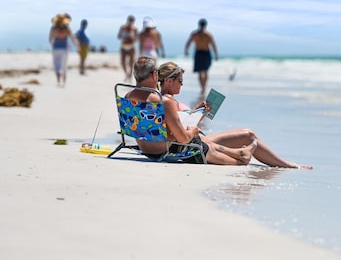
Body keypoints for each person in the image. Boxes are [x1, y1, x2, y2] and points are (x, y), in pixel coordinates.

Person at [129, 57, 312, 169]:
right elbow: (183, 139)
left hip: (150, 151)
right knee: (236, 150)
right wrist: (192, 131)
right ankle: (244, 155)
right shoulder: (164, 101)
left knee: (236, 143)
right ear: (154, 75)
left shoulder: (128, 96)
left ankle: (242, 154)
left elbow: (147, 128)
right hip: (173, 151)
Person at [184, 18, 218, 96]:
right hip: (199, 53)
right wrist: (186, 50)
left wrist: (216, 54)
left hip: (206, 53)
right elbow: (188, 42)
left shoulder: (208, 35)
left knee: (205, 71)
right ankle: (202, 88)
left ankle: (204, 87)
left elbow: (213, 45)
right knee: (199, 72)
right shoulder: (195, 34)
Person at [48, 13, 79, 87]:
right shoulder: (67, 28)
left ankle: (58, 81)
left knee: (56, 65)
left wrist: (53, 42)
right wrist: (78, 46)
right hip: (64, 49)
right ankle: (64, 82)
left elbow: (50, 39)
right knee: (64, 65)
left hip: (56, 48)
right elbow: (73, 38)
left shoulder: (53, 28)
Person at [117, 15, 138, 80]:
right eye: (130, 21)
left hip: (131, 47)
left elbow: (137, 38)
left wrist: (132, 38)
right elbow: (118, 36)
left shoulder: (134, 29)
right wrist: (124, 37)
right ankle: (126, 73)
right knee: (123, 62)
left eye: (132, 21)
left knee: (131, 63)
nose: (130, 22)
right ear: (127, 20)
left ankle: (130, 75)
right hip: (124, 46)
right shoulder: (123, 27)